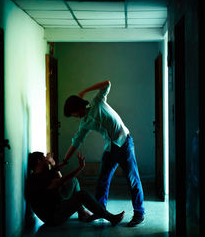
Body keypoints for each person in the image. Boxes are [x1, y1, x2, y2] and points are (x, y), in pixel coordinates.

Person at [61, 80, 145, 227]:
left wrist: (85, 90)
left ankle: (139, 213)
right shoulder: (84, 124)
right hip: (111, 147)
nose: (76, 117)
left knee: (132, 179)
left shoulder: (97, 101)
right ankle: (100, 211)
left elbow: (107, 83)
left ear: (78, 107)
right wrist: (65, 160)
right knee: (102, 180)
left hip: (124, 142)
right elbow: (76, 142)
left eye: (74, 113)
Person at [26, 151, 125, 226]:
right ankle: (111, 218)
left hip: (57, 206)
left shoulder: (43, 173)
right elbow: (61, 181)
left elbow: (60, 178)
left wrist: (53, 164)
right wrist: (80, 168)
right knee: (81, 195)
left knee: (74, 182)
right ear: (39, 161)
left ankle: (82, 213)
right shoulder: (35, 180)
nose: (46, 159)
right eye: (44, 158)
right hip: (53, 218)